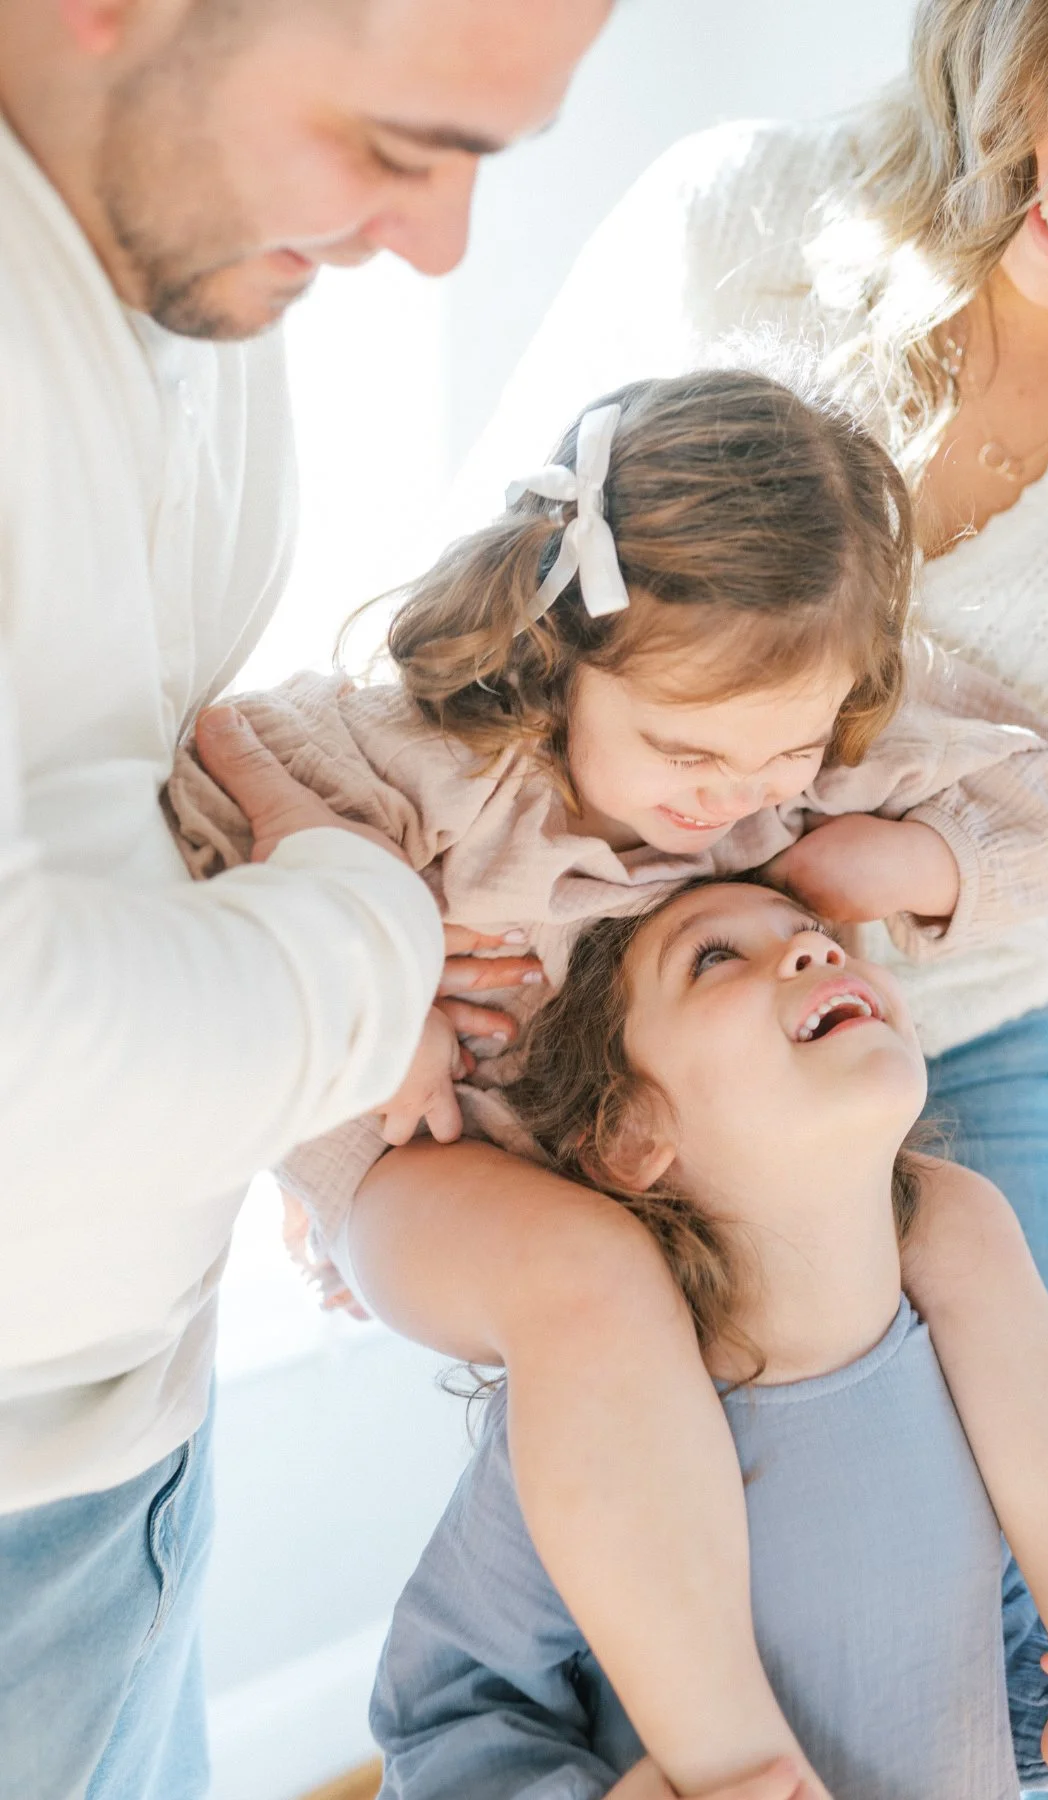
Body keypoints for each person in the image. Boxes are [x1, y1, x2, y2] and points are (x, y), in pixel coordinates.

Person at [169, 367, 1048, 1797]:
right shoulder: (446, 761)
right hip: (420, 1149)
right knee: (585, 1271)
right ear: (561, 653)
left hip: (645, 1127)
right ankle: (733, 1764)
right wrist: (371, 951)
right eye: (687, 752)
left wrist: (903, 860)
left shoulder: (788, 756)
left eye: (787, 749)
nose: (737, 796)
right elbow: (219, 755)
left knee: (950, 1212)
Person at [0, 3, 614, 1797]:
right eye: (395, 143)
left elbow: (141, 789)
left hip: (116, 1438)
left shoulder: (178, 263)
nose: (436, 245)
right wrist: (368, 929)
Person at [448, 0, 1048, 1455]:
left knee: (1039, 1596)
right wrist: (418, 980)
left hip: (958, 1046)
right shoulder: (737, 208)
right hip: (601, 1020)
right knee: (625, 1557)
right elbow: (473, 623)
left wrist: (944, 872)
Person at [368, 877, 1048, 1800]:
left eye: (814, 932)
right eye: (713, 956)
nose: (817, 949)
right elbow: (448, 1713)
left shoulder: (966, 1348)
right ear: (630, 1135)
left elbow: (981, 1663)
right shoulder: (593, 1417)